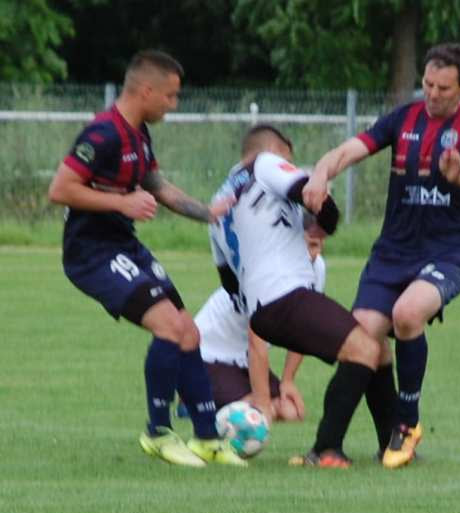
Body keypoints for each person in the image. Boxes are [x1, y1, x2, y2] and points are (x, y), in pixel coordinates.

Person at [302, 43, 460, 469]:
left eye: (444, 88)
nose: (432, 94)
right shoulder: (405, 118)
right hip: (393, 252)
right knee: (364, 338)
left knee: (408, 314)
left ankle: (407, 423)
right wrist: (321, 171)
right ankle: (358, 442)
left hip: (450, 251)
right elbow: (348, 151)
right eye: (427, 84)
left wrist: (458, 174)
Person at [47, 50, 246, 468]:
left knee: (188, 331)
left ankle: (207, 438)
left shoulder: (138, 135)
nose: (173, 105)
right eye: (170, 97)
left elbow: (157, 186)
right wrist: (119, 204)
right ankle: (158, 433)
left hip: (124, 245)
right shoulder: (101, 135)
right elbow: (61, 190)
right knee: (170, 328)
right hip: (92, 252)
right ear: (147, 90)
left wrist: (206, 212)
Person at [209, 124, 388, 468]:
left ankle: (392, 442)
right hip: (285, 293)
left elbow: (229, 282)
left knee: (375, 346)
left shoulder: (220, 201)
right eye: (289, 159)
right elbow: (314, 196)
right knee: (364, 348)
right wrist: (326, 221)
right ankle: (326, 449)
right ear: (279, 149)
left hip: (262, 311)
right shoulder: (265, 163)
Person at [192, 211, 327, 423]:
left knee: (292, 413)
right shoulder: (267, 269)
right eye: (307, 245)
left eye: (316, 246)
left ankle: (203, 400)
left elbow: (304, 331)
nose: (311, 255)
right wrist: (263, 404)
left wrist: (288, 381)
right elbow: (257, 340)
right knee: (257, 413)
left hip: (243, 359)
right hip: (207, 353)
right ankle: (192, 397)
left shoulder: (316, 269)